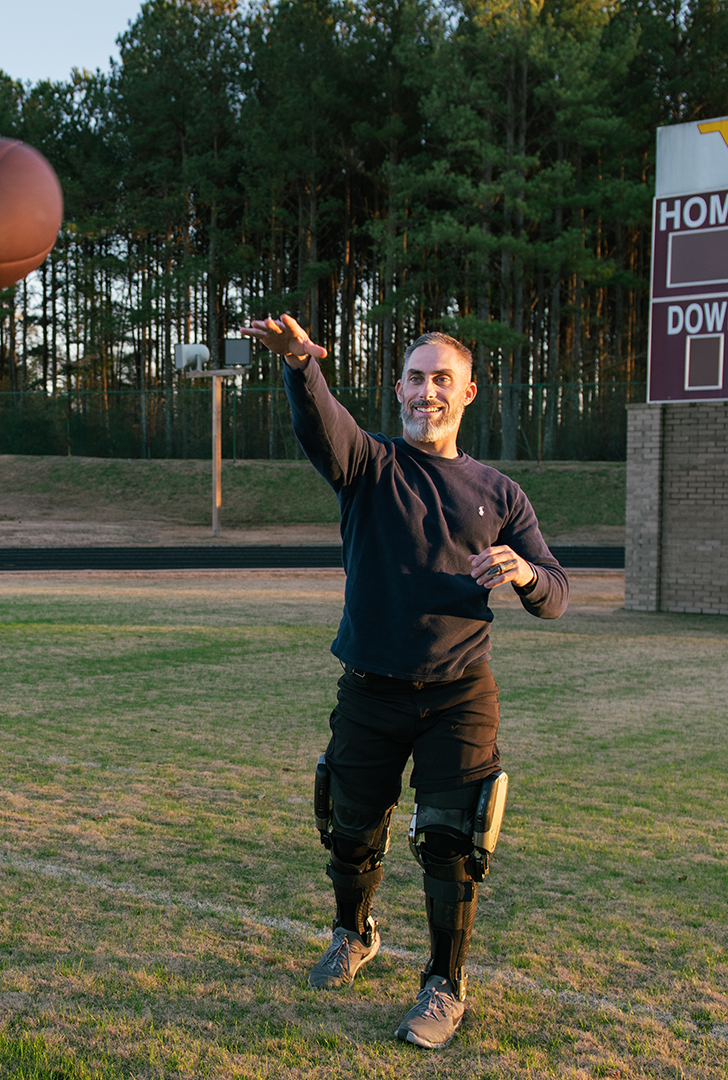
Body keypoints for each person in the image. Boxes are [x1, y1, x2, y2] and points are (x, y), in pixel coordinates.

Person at [239, 315, 567, 1050]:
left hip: (459, 691)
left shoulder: (500, 493)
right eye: (416, 379)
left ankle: (444, 986)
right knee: (349, 826)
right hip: (371, 685)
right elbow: (322, 427)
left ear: (469, 393)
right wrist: (301, 365)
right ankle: (353, 934)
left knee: (452, 840)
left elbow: (557, 592)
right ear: (399, 390)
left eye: (442, 379)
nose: (428, 392)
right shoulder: (370, 466)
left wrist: (523, 572)